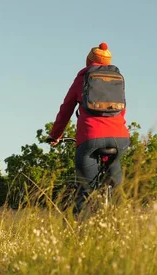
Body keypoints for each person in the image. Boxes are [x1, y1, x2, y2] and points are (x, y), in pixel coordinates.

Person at [45, 42, 130, 215]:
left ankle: (80, 233)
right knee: (116, 187)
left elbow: (66, 108)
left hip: (90, 137)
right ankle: (119, 220)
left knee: (86, 190)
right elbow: (122, 110)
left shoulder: (83, 78)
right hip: (120, 138)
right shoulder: (117, 80)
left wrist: (56, 135)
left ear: (89, 60)